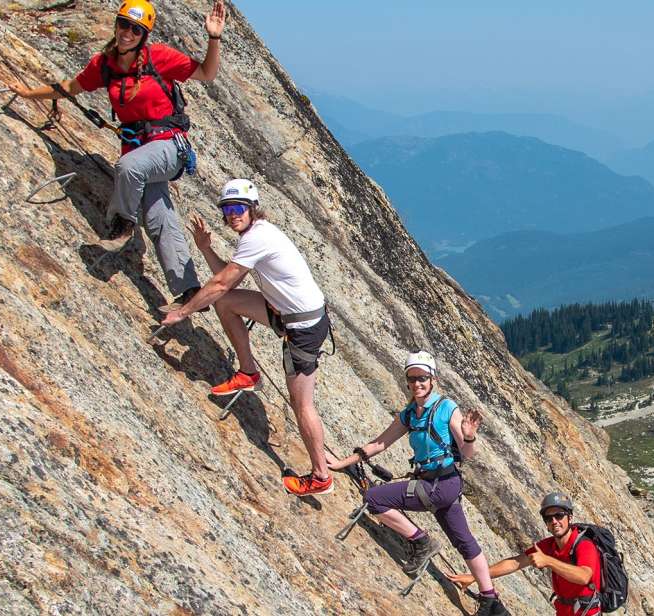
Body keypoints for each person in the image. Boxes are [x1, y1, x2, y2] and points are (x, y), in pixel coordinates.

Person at [9, 0, 227, 312]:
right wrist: (29, 93)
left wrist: (214, 38)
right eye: (124, 24)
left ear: (144, 34)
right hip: (141, 151)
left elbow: (206, 72)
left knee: (129, 167)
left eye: (136, 29)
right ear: (116, 25)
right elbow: (70, 87)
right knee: (157, 213)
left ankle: (122, 225)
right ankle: (189, 290)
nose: (127, 33)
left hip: (169, 147)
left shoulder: (159, 58)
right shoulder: (105, 66)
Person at [161, 179, 336, 496]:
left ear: (252, 208)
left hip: (303, 328)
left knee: (302, 404)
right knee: (225, 305)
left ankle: (321, 477)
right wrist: (205, 249)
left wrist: (183, 312)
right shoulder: (258, 234)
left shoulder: (257, 237)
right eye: (227, 209)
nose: (232, 215)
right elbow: (223, 285)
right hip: (290, 313)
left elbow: (220, 283)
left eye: (238, 208)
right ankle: (247, 371)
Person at [328, 352, 507, 616]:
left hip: (441, 485)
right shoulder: (410, 414)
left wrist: (469, 437)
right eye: (412, 378)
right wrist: (344, 462)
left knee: (374, 498)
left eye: (422, 378)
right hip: (442, 486)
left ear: (432, 378)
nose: (416, 383)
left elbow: (467, 454)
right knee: (465, 541)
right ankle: (492, 600)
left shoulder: (447, 408)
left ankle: (422, 542)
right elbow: (380, 443)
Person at [447, 493, 602, 616]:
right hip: (564, 610)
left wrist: (548, 561)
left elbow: (584, 576)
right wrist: (476, 577)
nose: (554, 521)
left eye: (559, 515)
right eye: (548, 518)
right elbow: (514, 563)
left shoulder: (584, 545)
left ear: (570, 517)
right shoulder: (548, 545)